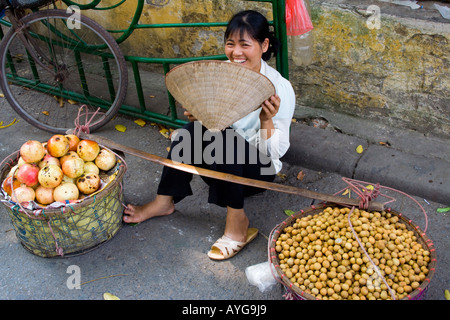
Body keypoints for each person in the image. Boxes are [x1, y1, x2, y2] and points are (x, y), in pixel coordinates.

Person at [123, 10, 296, 260]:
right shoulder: (219, 74)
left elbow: (275, 154)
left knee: (226, 139)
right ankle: (164, 201)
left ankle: (238, 222)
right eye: (230, 44)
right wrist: (198, 115)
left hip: (257, 173)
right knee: (191, 130)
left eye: (245, 45)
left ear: (264, 45)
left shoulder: (280, 89)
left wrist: (266, 120)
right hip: (219, 168)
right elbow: (207, 126)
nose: (236, 53)